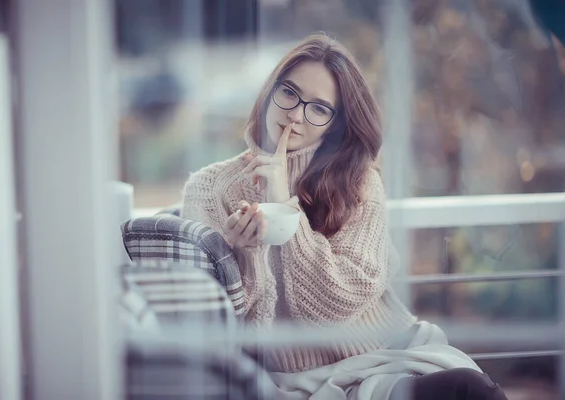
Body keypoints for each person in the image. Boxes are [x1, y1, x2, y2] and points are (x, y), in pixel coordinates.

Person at [181, 33, 507, 400]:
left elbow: (333, 309)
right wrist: (247, 255)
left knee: (471, 389)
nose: (294, 114)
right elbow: (222, 327)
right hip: (291, 379)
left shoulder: (360, 180)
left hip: (386, 355)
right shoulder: (209, 188)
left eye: (318, 108)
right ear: (270, 90)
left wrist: (283, 203)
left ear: (335, 124)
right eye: (288, 92)